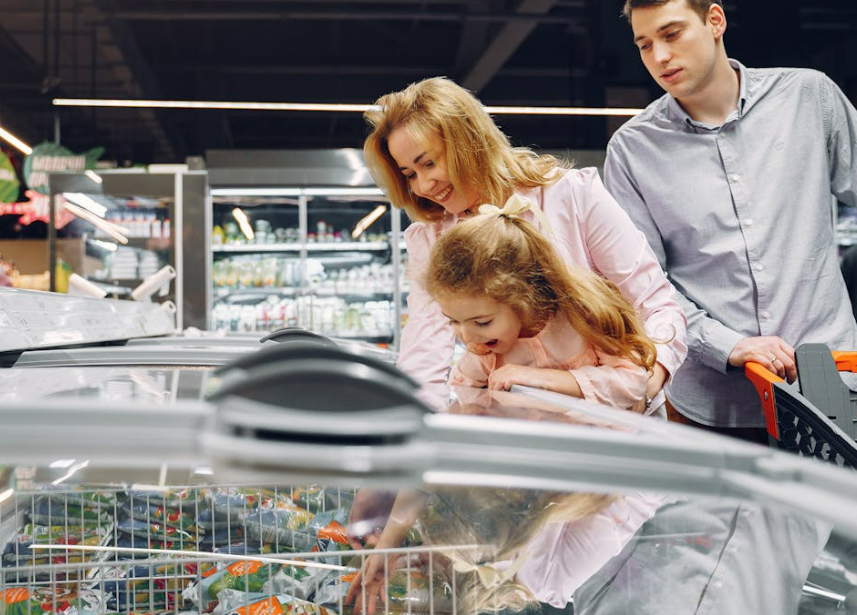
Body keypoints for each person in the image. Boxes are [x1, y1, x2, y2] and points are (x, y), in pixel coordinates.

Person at [603, 0, 857, 440]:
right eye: (644, 45)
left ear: (715, 21)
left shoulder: (809, 98)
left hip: (831, 387)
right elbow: (640, 288)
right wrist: (728, 345)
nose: (659, 57)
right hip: (712, 408)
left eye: (672, 34)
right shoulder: (631, 150)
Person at [362, 76, 687, 416]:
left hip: (619, 421)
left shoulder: (570, 196)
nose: (423, 185)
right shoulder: (430, 238)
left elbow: (656, 304)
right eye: (409, 174)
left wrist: (645, 384)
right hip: (525, 434)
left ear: (468, 141)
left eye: (429, 163)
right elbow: (424, 354)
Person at [424, 194, 658, 411]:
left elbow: (633, 383)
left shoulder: (582, 318)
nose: (467, 337)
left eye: (482, 322)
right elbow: (463, 402)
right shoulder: (483, 351)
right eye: (453, 321)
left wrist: (549, 381)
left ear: (523, 296)